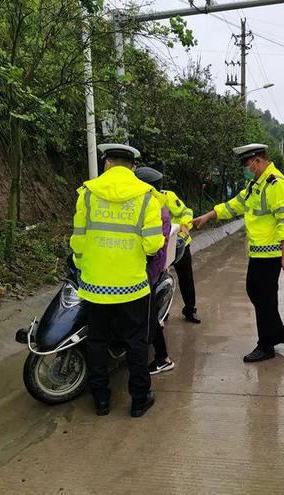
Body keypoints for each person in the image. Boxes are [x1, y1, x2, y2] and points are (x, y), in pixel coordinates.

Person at [69, 143, 163, 417]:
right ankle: (139, 400)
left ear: (107, 163)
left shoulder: (87, 194)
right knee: (136, 342)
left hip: (95, 286)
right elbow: (152, 244)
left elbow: (78, 239)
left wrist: (81, 264)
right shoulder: (147, 197)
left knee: (97, 341)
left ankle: (101, 400)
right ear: (133, 167)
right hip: (132, 287)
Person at [193, 144, 284, 363]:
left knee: (264, 298)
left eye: (247, 164)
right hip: (258, 252)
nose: (245, 169)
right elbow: (235, 205)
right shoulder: (255, 184)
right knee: (256, 293)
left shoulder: (276, 184)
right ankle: (277, 331)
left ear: (257, 161)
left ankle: (266, 346)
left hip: (270, 254)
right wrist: (209, 216)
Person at [134, 166, 176, 375]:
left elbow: (150, 246)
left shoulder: (155, 209)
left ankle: (163, 358)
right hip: (147, 267)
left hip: (148, 270)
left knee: (148, 316)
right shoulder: (154, 204)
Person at [162, 189, 201, 324]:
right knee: (157, 280)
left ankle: (190, 309)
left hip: (178, 242)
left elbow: (186, 211)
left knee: (186, 277)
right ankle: (161, 310)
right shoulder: (140, 196)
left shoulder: (167, 196)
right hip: (158, 244)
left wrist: (184, 225)